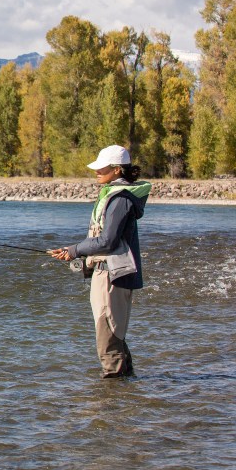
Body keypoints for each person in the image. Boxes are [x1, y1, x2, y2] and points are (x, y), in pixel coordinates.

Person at [49, 145, 151, 378]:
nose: (96, 171)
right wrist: (74, 252)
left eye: (101, 167)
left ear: (116, 170)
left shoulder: (120, 199)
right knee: (115, 337)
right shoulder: (117, 195)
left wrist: (75, 250)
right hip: (110, 275)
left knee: (109, 342)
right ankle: (127, 391)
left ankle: (113, 396)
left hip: (111, 277)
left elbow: (108, 241)